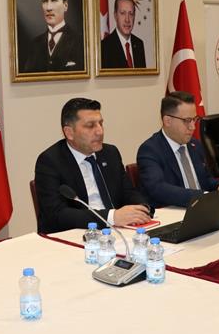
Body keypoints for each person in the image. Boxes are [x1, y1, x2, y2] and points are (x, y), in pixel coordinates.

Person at [34, 98, 152, 234]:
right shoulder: (50, 161)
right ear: (69, 132)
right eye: (90, 126)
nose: (100, 131)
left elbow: (128, 192)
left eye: (100, 123)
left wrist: (141, 208)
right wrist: (111, 217)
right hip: (76, 235)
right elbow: (57, 214)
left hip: (118, 231)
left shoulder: (110, 153)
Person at [137, 92, 219, 208]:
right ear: (167, 121)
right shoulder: (150, 150)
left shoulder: (195, 145)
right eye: (187, 120)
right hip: (173, 211)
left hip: (204, 208)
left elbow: (205, 179)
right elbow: (158, 188)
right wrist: (203, 196)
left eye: (194, 119)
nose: (193, 127)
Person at [22, 0, 84, 73]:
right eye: (44, 1)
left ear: (65, 5)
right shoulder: (35, 45)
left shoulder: (80, 42)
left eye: (54, 0)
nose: (48, 7)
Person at [100, 0, 146, 68]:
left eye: (131, 14)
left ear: (134, 16)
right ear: (115, 16)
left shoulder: (139, 44)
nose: (127, 19)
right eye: (123, 13)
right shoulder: (104, 47)